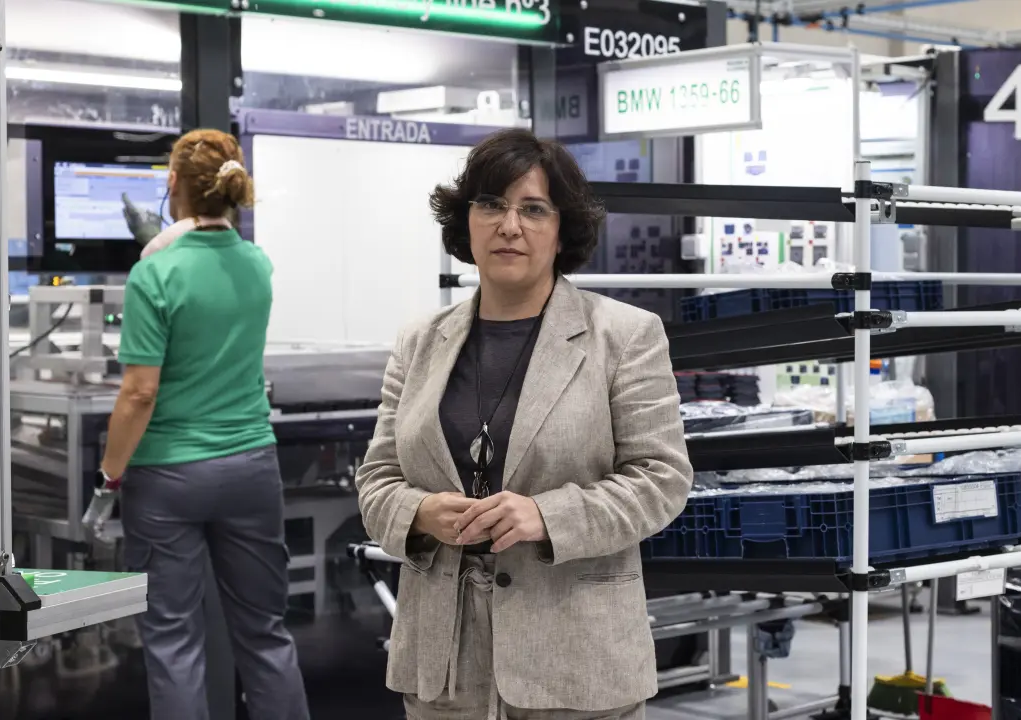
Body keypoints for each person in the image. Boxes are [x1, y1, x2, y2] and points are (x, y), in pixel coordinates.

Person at [355, 127, 692, 719]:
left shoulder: (624, 336)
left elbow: (661, 480)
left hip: (576, 663)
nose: (509, 226)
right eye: (491, 205)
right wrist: (420, 513)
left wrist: (546, 516)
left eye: (533, 209)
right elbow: (378, 479)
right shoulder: (420, 342)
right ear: (466, 221)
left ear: (563, 229)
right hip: (445, 670)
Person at [96, 128, 310, 720]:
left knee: (173, 639)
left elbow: (139, 393)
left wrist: (110, 475)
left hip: (168, 477)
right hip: (251, 467)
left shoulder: (154, 275)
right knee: (265, 633)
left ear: (173, 184)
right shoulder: (257, 265)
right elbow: (219, 248)